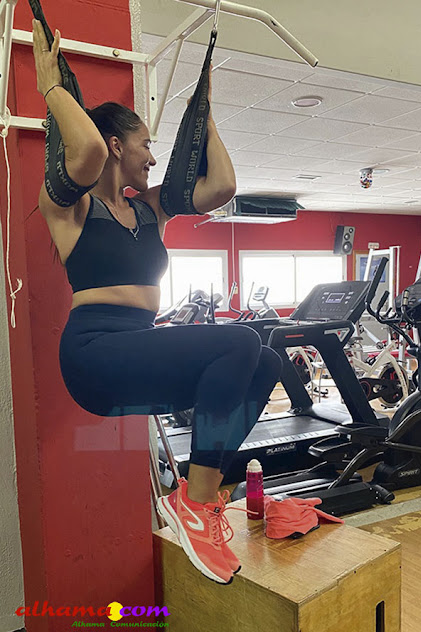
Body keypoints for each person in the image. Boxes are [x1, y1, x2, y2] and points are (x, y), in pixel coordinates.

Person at [32, 19, 282, 585]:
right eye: (145, 144)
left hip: (136, 353)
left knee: (266, 361)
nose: (153, 157)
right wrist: (51, 88)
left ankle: (197, 493)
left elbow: (221, 187)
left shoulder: (150, 210)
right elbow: (85, 148)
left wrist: (204, 117)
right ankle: (197, 502)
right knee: (240, 341)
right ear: (117, 145)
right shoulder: (69, 209)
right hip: (94, 354)